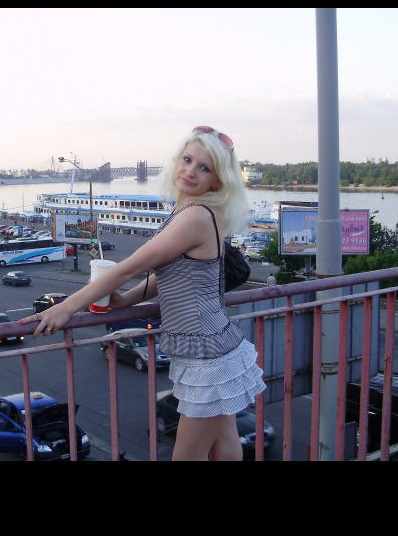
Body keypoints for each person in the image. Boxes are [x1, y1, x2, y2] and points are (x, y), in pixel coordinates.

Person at [18, 125, 266, 461]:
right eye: (187, 160)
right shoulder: (197, 211)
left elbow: (128, 267)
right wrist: (127, 300)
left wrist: (67, 307)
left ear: (217, 180)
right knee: (224, 443)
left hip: (206, 353)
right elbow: (173, 273)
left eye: (204, 168)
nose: (190, 171)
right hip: (213, 343)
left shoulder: (195, 217)